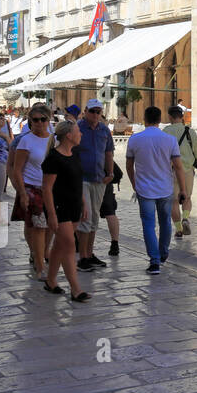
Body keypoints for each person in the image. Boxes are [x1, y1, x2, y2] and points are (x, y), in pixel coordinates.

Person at [125, 106, 187, 274]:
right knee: (165, 221)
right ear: (160, 120)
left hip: (144, 188)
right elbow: (179, 167)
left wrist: (134, 183)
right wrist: (183, 189)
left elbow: (129, 166)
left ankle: (154, 260)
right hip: (165, 188)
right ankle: (163, 252)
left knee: (148, 224)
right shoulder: (169, 140)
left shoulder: (135, 139)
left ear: (144, 119)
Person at [41, 120, 89, 302]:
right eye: (78, 131)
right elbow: (46, 188)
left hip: (74, 206)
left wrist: (83, 201)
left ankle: (51, 280)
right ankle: (76, 289)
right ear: (69, 135)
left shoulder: (74, 154)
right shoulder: (53, 158)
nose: (81, 134)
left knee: (60, 245)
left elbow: (77, 181)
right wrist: (51, 214)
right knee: (69, 245)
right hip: (58, 208)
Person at [9, 104, 54, 279]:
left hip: (50, 188)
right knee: (37, 226)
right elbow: (17, 168)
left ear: (48, 120)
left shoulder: (53, 139)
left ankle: (42, 253)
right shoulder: (26, 140)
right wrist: (21, 192)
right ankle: (39, 264)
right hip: (31, 187)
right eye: (35, 120)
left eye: (43, 119)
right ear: (30, 121)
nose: (40, 123)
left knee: (49, 225)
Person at [72, 99, 115, 271]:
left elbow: (108, 152)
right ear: (85, 111)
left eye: (98, 112)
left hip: (99, 179)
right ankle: (82, 256)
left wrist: (110, 173)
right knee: (86, 217)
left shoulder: (104, 130)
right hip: (81, 179)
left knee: (95, 218)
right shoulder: (76, 128)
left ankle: (89, 253)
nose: (96, 115)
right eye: (93, 111)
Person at [163, 105, 197, 237]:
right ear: (182, 117)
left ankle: (179, 228)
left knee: (174, 200)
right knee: (187, 197)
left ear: (170, 117)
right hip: (187, 169)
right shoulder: (190, 131)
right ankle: (185, 217)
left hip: (171, 170)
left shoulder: (166, 131)